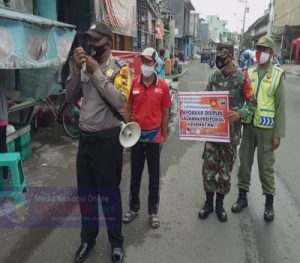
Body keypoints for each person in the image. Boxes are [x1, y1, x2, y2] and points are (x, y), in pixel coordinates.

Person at [66, 22, 131, 263]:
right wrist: (76, 70)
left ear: (108, 43)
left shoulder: (121, 69)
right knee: (86, 196)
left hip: (108, 141)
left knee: (109, 195)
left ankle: (116, 243)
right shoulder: (83, 67)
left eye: (95, 40)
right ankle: (87, 239)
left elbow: (120, 103)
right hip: (86, 141)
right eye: (88, 39)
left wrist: (97, 73)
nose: (90, 44)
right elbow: (70, 97)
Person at [198, 43, 257, 222]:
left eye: (222, 56)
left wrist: (240, 113)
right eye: (217, 55)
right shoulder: (214, 77)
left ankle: (219, 205)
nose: (219, 59)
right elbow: (205, 100)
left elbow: (253, 104)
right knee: (208, 170)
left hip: (230, 136)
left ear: (230, 56)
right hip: (212, 133)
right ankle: (208, 203)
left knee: (225, 172)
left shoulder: (242, 78)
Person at [231, 36, 285, 222]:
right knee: (244, 162)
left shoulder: (278, 74)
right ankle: (242, 197)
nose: (261, 52)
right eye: (259, 48)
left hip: (267, 129)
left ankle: (269, 204)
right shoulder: (249, 72)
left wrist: (278, 134)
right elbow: (241, 97)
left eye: (265, 49)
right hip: (248, 125)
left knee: (266, 167)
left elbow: (280, 107)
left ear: (271, 53)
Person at [122, 47, 171, 229]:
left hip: (154, 138)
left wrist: (163, 136)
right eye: (143, 62)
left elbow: (166, 114)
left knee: (154, 177)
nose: (145, 65)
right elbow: (128, 109)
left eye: (148, 62)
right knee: (135, 175)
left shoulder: (163, 87)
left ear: (155, 63)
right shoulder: (134, 83)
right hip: (136, 137)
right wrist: (127, 129)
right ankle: (133, 208)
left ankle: (153, 212)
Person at [0, 71, 9, 179]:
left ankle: (4, 172)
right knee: (3, 145)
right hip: (3, 117)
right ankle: (5, 173)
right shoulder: (2, 73)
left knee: (2, 145)